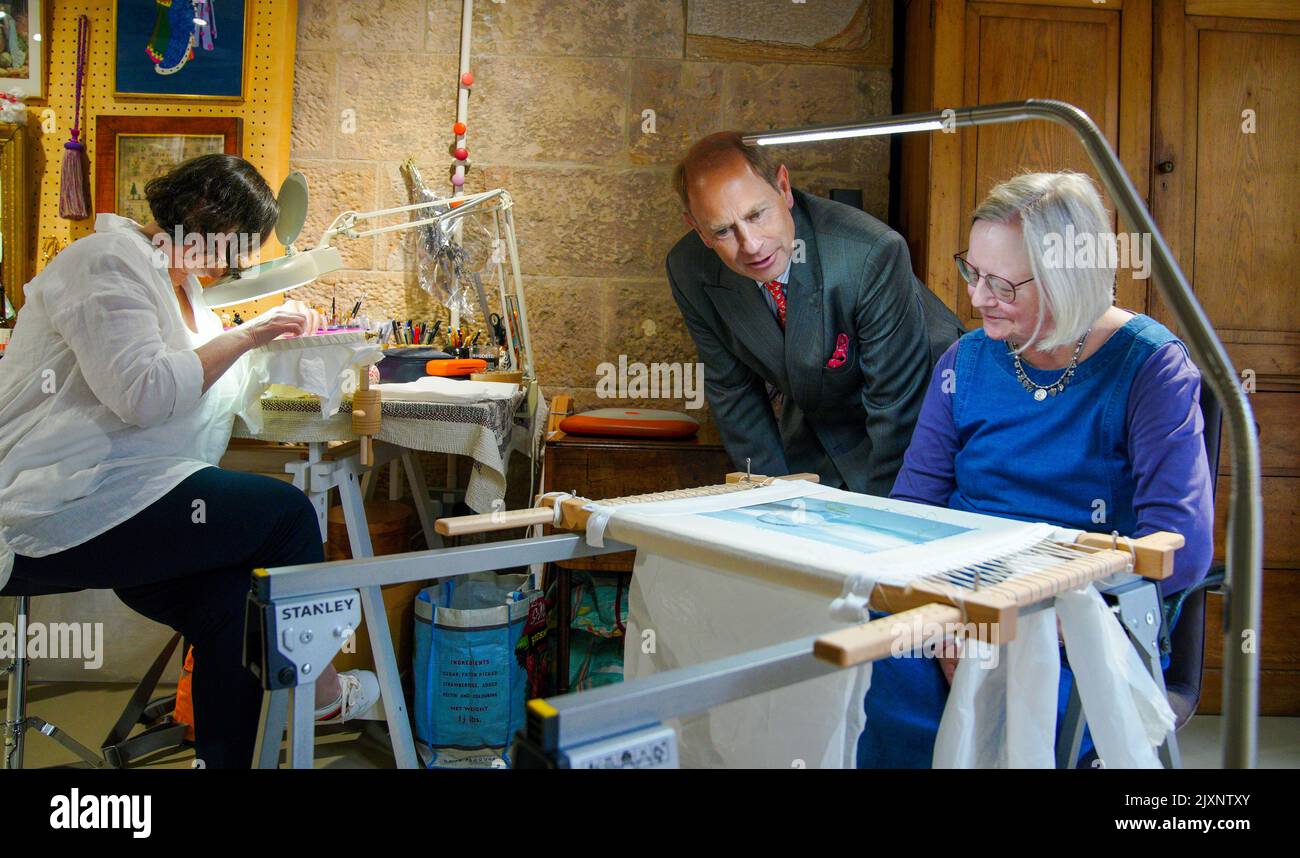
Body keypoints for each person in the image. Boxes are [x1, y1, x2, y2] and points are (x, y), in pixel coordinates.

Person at [0, 154, 380, 768]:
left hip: (126, 499)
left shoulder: (185, 293)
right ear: (205, 220)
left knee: (231, 608)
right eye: (236, 247)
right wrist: (250, 334)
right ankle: (318, 687)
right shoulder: (106, 263)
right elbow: (147, 394)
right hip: (54, 503)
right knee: (284, 515)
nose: (234, 265)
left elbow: (202, 387)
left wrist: (287, 347)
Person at [857, 171, 1215, 767]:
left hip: (1082, 627)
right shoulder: (965, 362)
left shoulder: (1152, 369)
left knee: (1023, 708)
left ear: (1067, 276)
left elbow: (1181, 546)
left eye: (1002, 283)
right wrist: (943, 612)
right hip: (958, 607)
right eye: (973, 272)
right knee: (860, 669)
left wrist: (1027, 625)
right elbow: (912, 513)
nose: (976, 298)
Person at [667, 132, 965, 496]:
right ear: (698, 229)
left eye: (757, 214)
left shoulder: (870, 252)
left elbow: (895, 409)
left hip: (922, 421)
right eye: (723, 230)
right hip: (817, 420)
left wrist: (885, 518)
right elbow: (732, 393)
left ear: (783, 187)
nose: (752, 245)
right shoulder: (689, 270)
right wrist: (771, 498)